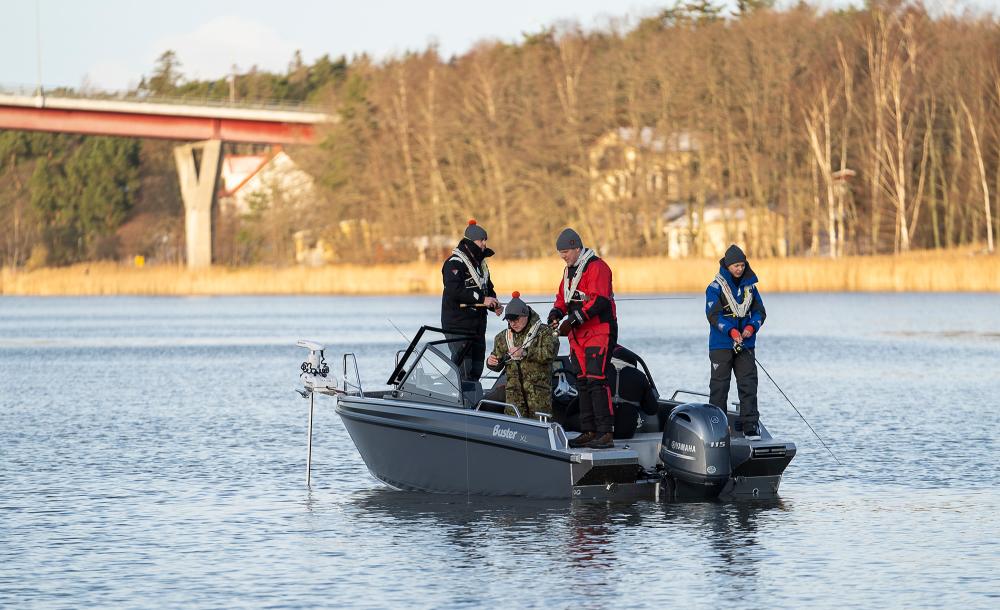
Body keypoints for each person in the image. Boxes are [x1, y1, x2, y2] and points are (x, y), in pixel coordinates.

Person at [547, 228, 618, 449]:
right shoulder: (568, 272)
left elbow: (600, 302)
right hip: (578, 334)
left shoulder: (598, 267)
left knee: (597, 380)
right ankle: (588, 430)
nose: (563, 256)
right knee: (583, 382)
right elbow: (562, 298)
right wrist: (556, 313)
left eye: (566, 252)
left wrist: (574, 319)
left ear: (577, 248)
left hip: (599, 330)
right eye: (561, 253)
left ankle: (605, 432)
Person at [705, 244, 766, 437]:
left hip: (746, 345)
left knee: (748, 385)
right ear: (728, 266)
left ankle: (750, 426)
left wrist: (750, 327)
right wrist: (731, 331)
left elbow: (759, 312)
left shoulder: (751, 288)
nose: (739, 269)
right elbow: (713, 315)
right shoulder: (715, 288)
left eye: (742, 265)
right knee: (719, 387)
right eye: (735, 266)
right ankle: (717, 428)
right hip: (721, 345)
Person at [441, 219, 501, 381]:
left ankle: (472, 399)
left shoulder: (481, 265)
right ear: (471, 242)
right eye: (481, 240)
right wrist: (483, 299)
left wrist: (493, 303)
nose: (484, 244)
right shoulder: (454, 263)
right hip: (458, 324)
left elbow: (487, 287)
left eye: (485, 240)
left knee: (476, 367)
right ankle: (456, 400)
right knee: (463, 369)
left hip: (478, 325)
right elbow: (455, 290)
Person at [486, 292, 559, 420]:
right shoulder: (502, 337)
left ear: (525, 315)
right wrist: (490, 362)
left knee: (540, 431)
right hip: (513, 400)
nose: (512, 323)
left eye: (516, 319)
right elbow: (497, 365)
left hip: (539, 397)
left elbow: (550, 354)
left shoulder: (545, 332)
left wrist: (525, 352)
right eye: (509, 320)